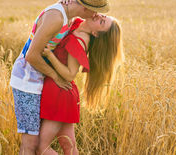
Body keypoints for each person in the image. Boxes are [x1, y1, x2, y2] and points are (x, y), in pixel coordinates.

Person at [10, 0, 110, 155]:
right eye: (96, 10)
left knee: (59, 144)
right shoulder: (56, 17)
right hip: (27, 81)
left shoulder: (70, 16)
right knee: (30, 144)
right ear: (87, 8)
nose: (96, 14)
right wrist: (56, 77)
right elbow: (31, 56)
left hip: (40, 81)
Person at [36, 14, 123, 155]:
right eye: (104, 16)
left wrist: (50, 56)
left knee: (40, 147)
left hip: (60, 93)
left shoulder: (81, 40)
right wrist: (66, 1)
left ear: (95, 33)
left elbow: (71, 74)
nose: (99, 16)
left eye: (102, 22)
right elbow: (71, 11)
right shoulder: (78, 24)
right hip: (62, 92)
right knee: (68, 146)